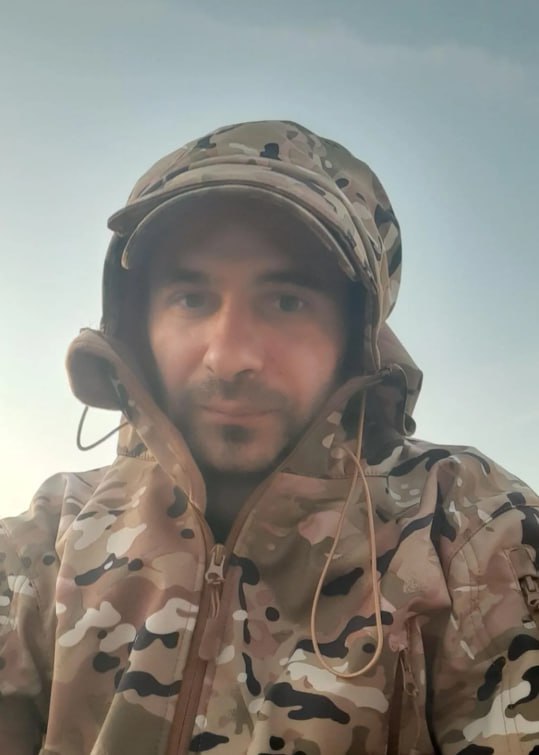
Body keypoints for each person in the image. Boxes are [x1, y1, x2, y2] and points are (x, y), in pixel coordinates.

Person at [1, 120, 537, 755]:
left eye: (286, 301)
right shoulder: (49, 537)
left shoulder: (469, 527)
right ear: (137, 321)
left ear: (356, 332)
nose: (229, 357)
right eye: (191, 298)